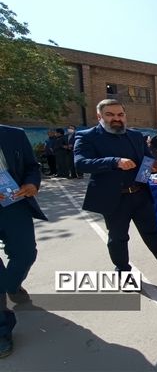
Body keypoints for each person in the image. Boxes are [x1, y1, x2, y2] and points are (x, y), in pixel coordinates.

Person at [74, 99, 157, 278]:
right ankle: (123, 274)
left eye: (120, 114)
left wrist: (154, 166)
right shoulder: (87, 136)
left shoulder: (135, 136)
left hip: (139, 194)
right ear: (99, 116)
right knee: (118, 238)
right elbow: (80, 163)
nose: (116, 119)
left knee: (152, 232)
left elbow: (146, 160)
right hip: (114, 199)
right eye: (110, 114)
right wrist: (115, 162)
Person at [0, 124, 47, 358]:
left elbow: (31, 166)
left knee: (25, 253)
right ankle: (1, 330)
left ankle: (11, 284)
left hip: (14, 205)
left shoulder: (14, 134)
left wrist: (31, 183)